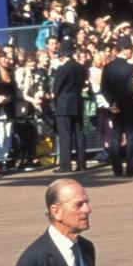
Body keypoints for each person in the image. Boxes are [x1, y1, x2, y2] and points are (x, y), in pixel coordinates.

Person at [100, 36, 133, 176]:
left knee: (115, 137)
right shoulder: (130, 67)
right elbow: (131, 88)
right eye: (130, 49)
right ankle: (131, 167)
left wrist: (112, 103)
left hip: (115, 105)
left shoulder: (108, 67)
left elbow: (104, 88)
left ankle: (117, 168)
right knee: (132, 137)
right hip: (129, 105)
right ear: (124, 49)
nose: (131, 52)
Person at [52, 40, 88, 173]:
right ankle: (82, 163)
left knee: (65, 135)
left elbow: (56, 90)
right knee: (79, 133)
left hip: (64, 103)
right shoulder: (81, 67)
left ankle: (66, 165)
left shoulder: (62, 69)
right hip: (77, 101)